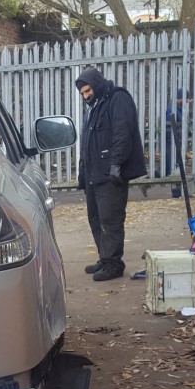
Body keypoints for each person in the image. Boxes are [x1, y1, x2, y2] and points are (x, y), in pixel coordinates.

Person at [76, 67, 146, 281]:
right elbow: (88, 143)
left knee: (111, 219)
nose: (86, 96)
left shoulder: (118, 99)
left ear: (96, 85)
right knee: (95, 218)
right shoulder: (95, 106)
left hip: (109, 174)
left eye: (88, 91)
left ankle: (114, 264)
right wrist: (82, 172)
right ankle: (105, 258)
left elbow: (122, 133)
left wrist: (117, 164)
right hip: (94, 174)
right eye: (83, 94)